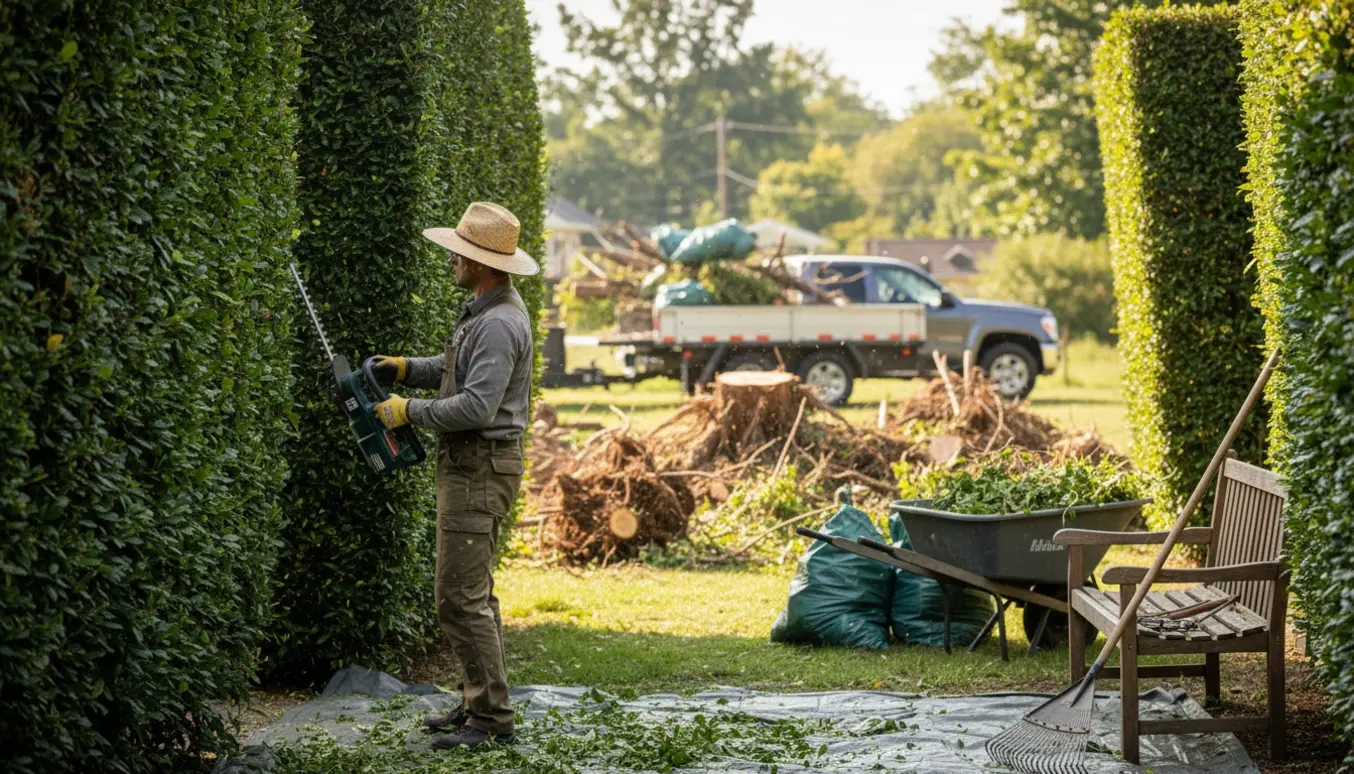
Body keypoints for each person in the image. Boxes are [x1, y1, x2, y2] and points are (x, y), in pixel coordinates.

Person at [370, 201, 537, 751]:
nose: (451, 258)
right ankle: (476, 700)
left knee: (458, 597)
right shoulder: (482, 311)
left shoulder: (498, 322)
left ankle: (490, 721)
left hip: (479, 466)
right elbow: (454, 372)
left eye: (460, 252)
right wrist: (406, 368)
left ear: (484, 262)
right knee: (473, 594)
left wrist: (407, 410)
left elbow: (475, 407)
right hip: (471, 466)